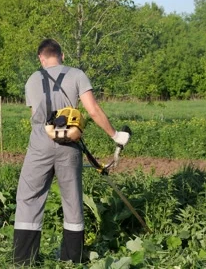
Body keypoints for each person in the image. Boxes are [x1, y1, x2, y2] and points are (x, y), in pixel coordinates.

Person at [13, 38, 130, 265]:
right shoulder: (77, 75)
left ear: (41, 57)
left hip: (39, 142)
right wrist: (116, 135)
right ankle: (71, 258)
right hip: (70, 143)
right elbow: (93, 110)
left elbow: (35, 113)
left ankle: (23, 260)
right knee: (72, 199)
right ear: (62, 55)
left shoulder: (32, 79)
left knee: (28, 198)